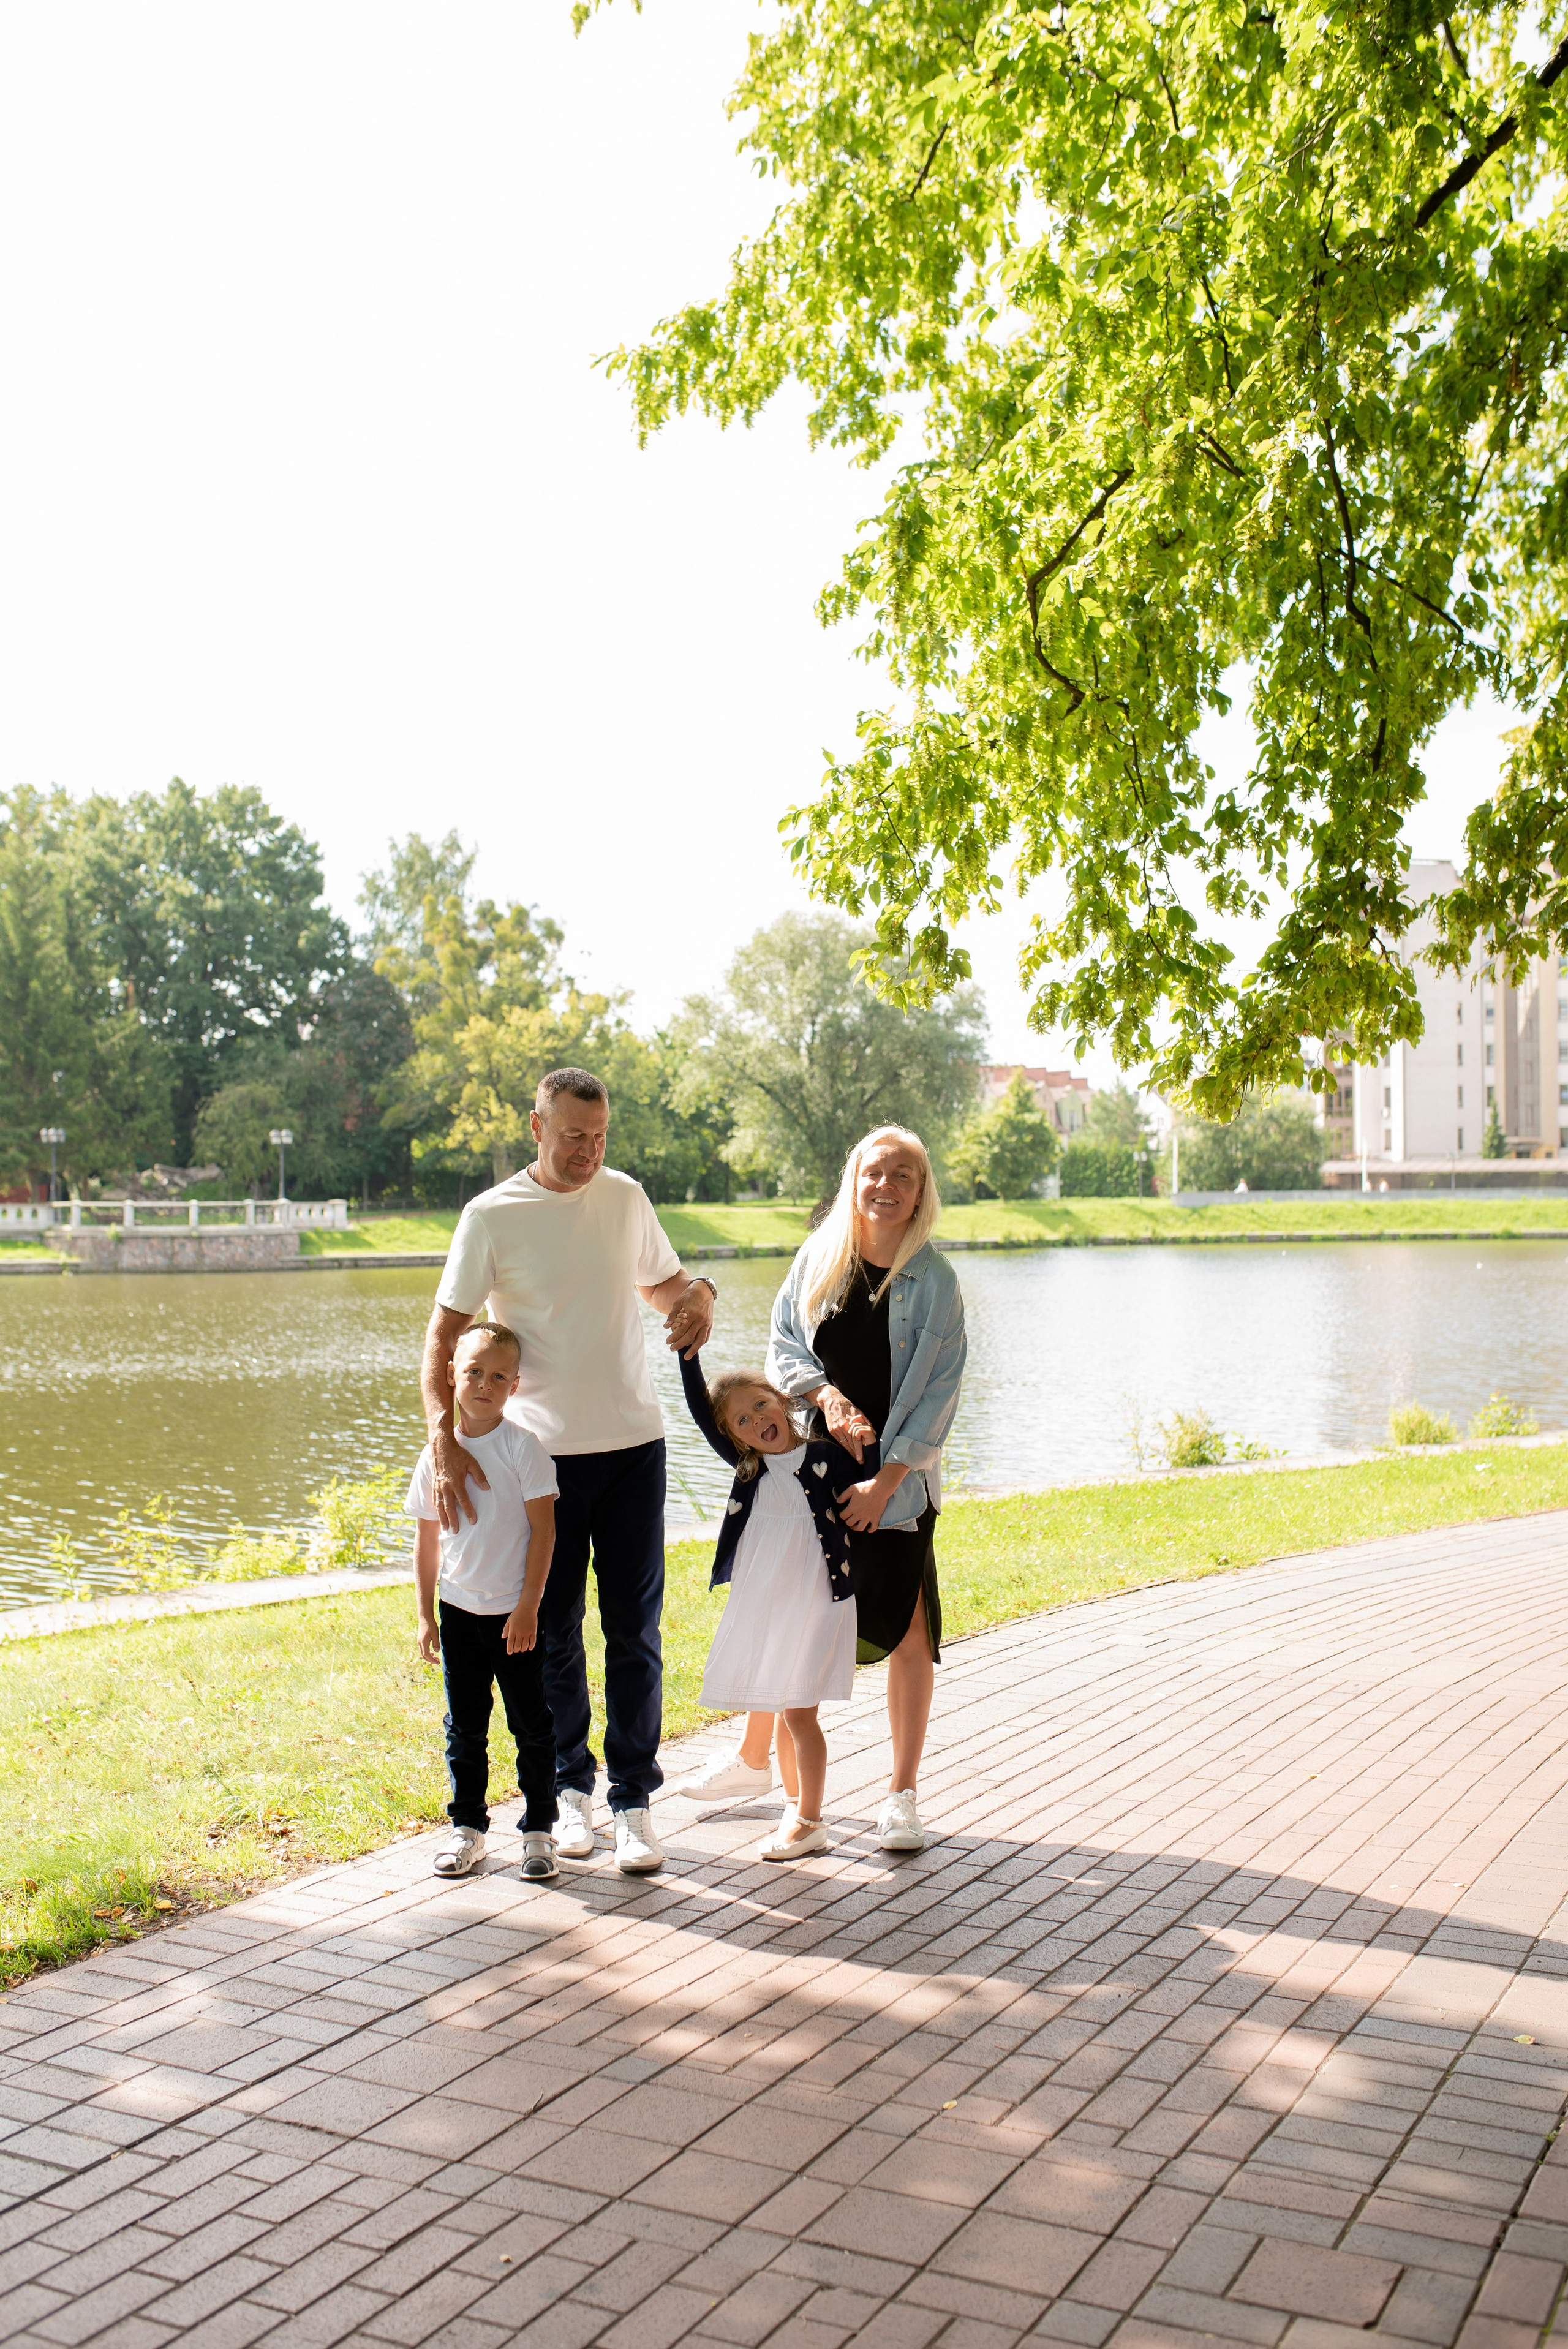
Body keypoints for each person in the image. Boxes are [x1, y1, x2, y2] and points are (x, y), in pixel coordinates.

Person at [421, 1068, 716, 1876]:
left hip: (632, 1448)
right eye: (573, 1135)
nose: (588, 1151)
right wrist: (443, 1435)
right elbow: (444, 1336)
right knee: (550, 1635)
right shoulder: (492, 1215)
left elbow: (665, 1285)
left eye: (600, 1135)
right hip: (539, 1462)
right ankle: (571, 1790)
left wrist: (702, 1295)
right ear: (537, 1126)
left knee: (634, 1632)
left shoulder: (625, 1197)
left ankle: (633, 1801)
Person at [768, 1125, 966, 1854]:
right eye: (874, 1172)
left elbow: (939, 1397)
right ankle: (804, 1807)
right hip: (816, 1478)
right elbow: (782, 1344)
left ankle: (901, 1797)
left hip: (900, 1486)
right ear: (854, 1181)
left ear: (922, 1192)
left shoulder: (937, 1282)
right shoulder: (817, 1260)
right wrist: (823, 1397)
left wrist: (886, 1482)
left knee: (909, 1630)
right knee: (801, 1632)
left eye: (903, 1175)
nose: (886, 1186)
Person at [673, 1352, 863, 1858]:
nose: (757, 1420)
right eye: (742, 1419)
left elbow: (876, 1472)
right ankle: (797, 1805)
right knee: (783, 1700)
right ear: (734, 1436)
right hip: (771, 1605)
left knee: (800, 1712)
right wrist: (686, 1352)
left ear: (783, 1400)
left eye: (762, 1404)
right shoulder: (750, 1466)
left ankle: (809, 1819)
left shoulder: (827, 1457)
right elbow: (697, 1407)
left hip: (819, 1601)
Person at [407, 1322, 560, 1882]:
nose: (484, 1384)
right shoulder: (436, 1456)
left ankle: (539, 1829)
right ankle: (467, 1828)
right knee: (464, 1728)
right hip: (459, 1612)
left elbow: (544, 1533)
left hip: (513, 1618)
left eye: (499, 1376)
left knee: (531, 1726)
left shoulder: (524, 1449)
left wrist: (527, 1606)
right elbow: (427, 1542)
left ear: (514, 1386)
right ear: (452, 1375)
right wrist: (426, 1612)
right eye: (473, 1372)